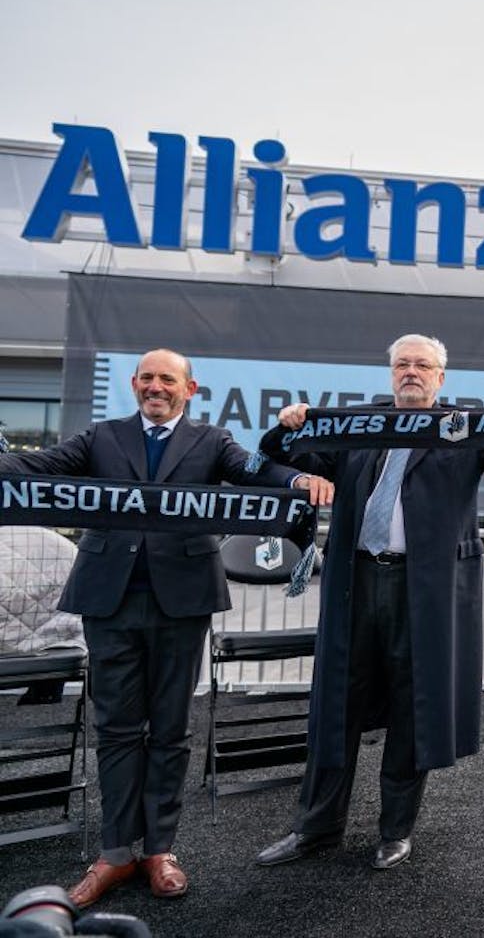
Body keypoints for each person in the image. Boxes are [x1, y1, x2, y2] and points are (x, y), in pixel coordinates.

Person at [253, 334, 484, 871]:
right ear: (391, 374)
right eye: (402, 365)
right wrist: (289, 424)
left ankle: (395, 831)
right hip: (356, 584)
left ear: (441, 377)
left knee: (412, 710)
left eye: (422, 365)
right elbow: (279, 453)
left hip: (425, 592)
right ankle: (315, 828)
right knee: (335, 710)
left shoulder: (461, 427)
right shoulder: (357, 427)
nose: (411, 372)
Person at [0, 348, 331, 908]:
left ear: (190, 388)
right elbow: (37, 469)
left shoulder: (212, 442)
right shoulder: (100, 437)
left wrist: (299, 477)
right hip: (108, 601)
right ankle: (114, 852)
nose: (157, 387)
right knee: (117, 729)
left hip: (182, 602)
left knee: (171, 730)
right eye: (148, 378)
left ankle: (160, 850)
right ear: (134, 384)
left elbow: (258, 470)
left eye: (167, 380)